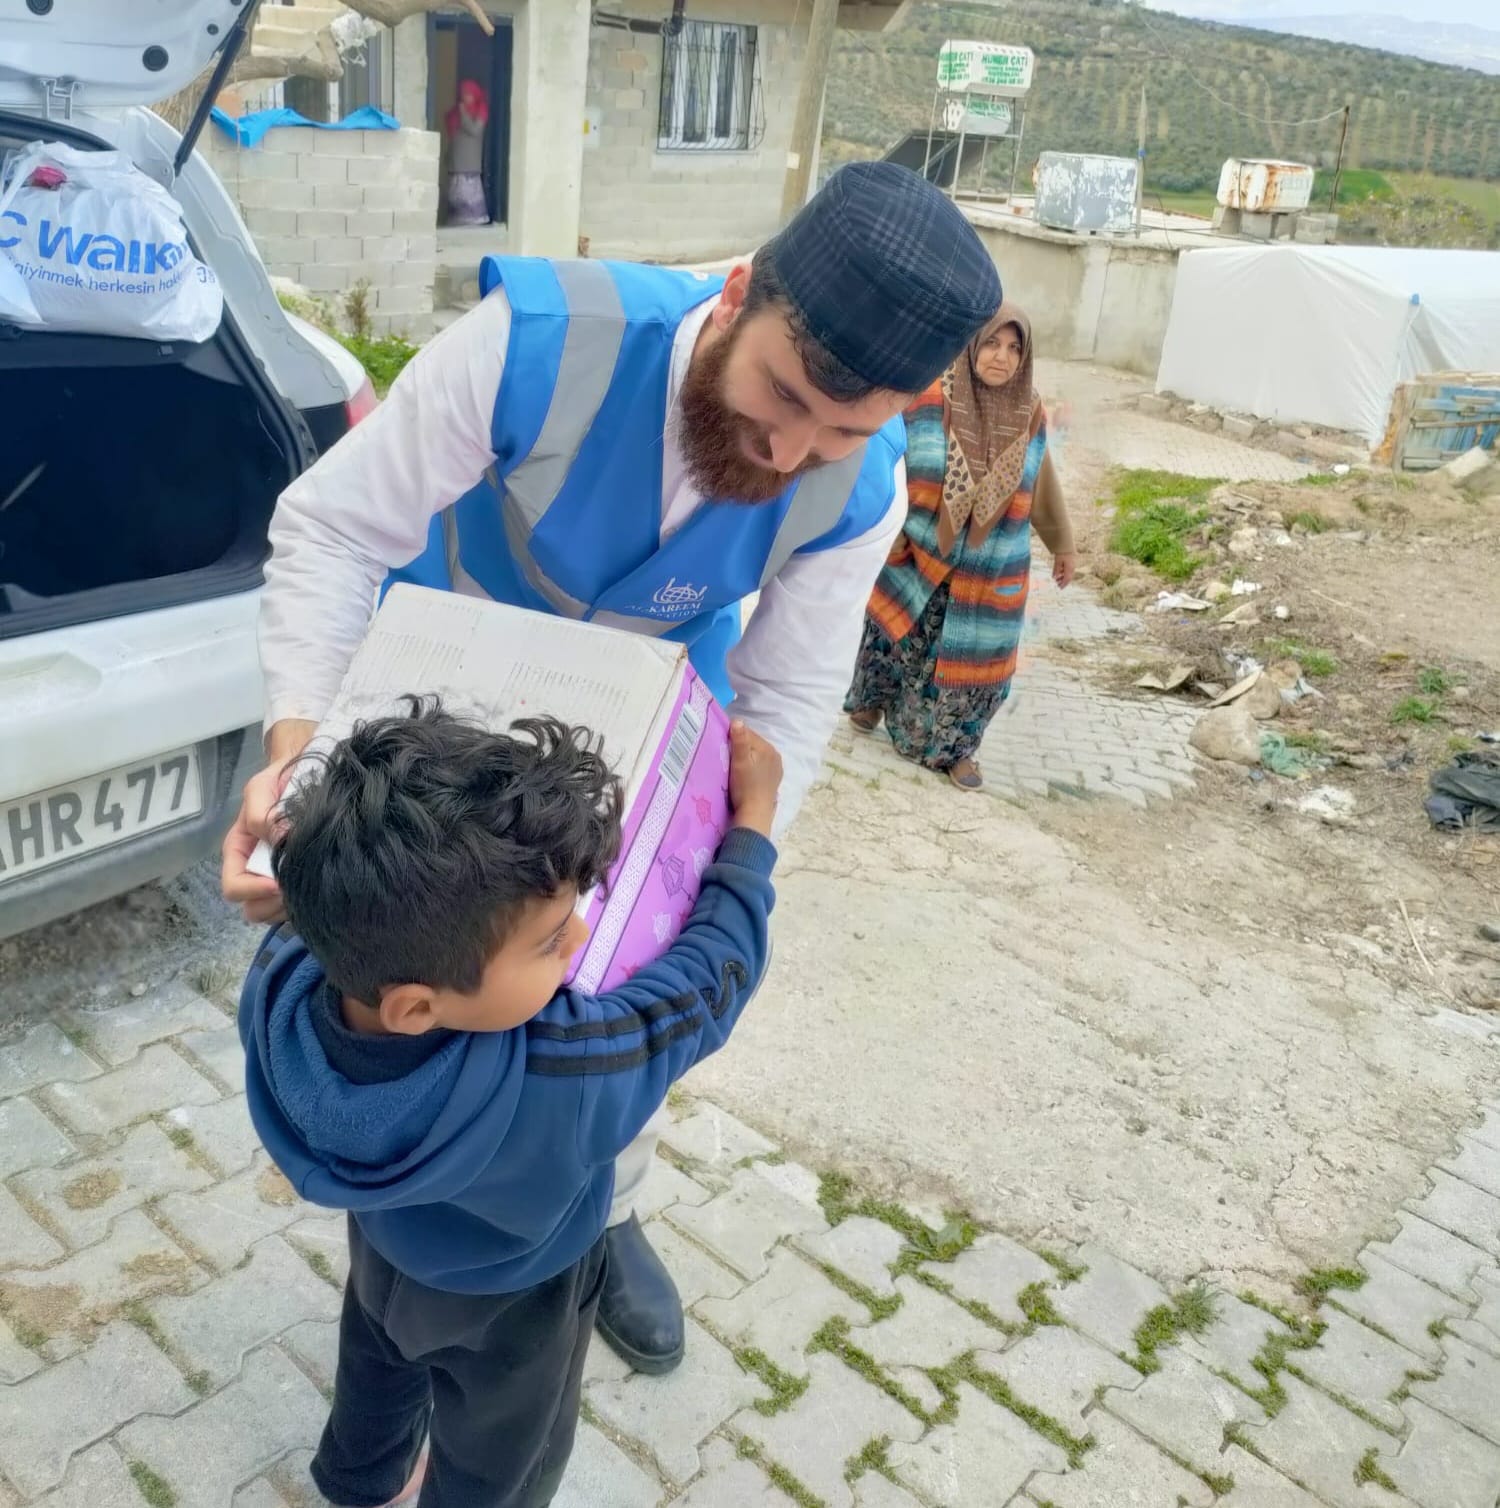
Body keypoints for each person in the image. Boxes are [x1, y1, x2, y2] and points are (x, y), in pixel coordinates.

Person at [221, 161, 1003, 1373]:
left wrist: (733, 862)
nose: (793, 446)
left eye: (841, 428)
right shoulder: (533, 343)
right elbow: (334, 528)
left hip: (649, 749)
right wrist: (303, 760)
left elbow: (792, 688)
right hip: (448, 729)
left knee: (609, 1007)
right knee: (421, 988)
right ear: (740, 293)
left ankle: (607, 1206)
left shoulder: (863, 481)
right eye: (782, 393)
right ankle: (402, 1211)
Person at [239, 699, 782, 1508]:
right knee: (503, 1458)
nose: (578, 942)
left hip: (383, 1250)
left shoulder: (282, 983)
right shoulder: (565, 1070)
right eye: (550, 939)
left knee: (376, 1363)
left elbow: (294, 915)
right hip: (520, 1299)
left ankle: (361, 1485)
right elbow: (706, 986)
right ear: (416, 1006)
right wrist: (755, 825)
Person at [844, 304, 1074, 791]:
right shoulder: (929, 395)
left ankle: (957, 750)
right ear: (972, 344)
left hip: (992, 564)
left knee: (976, 660)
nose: (1001, 357)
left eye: (1014, 349)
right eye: (991, 343)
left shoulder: (1028, 412)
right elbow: (886, 456)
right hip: (919, 548)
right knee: (894, 634)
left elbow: (1043, 481)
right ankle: (872, 700)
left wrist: (1063, 545)